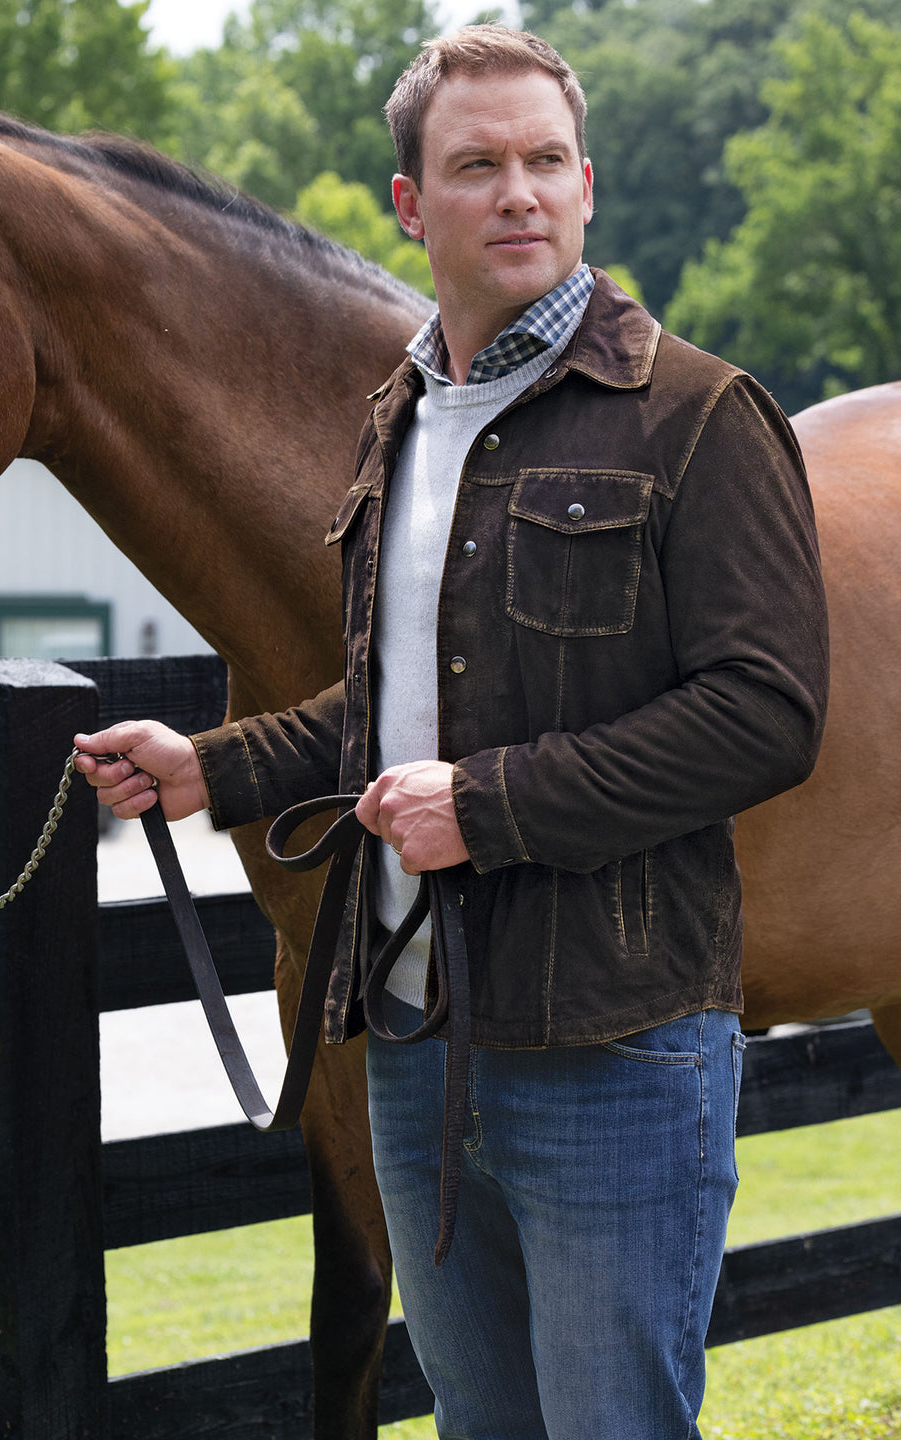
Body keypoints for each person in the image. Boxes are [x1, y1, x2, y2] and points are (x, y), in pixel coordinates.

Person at [73, 24, 829, 1440]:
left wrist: (489, 805)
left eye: (547, 162)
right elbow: (394, 700)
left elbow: (766, 717)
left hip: (616, 1053)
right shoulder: (403, 427)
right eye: (478, 166)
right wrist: (208, 771)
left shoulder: (696, 419)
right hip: (416, 1048)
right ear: (414, 204)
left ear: (587, 185)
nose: (521, 194)